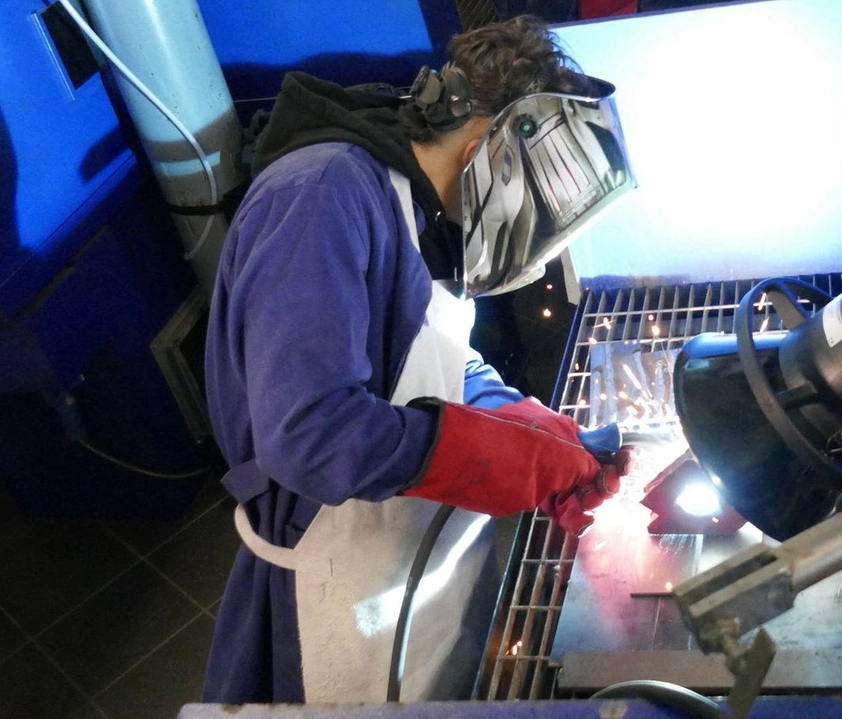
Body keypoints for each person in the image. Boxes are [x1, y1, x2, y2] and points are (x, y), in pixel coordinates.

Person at [202, 16, 635, 704]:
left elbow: (429, 358)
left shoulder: (424, 208)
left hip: (421, 573)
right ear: (481, 153)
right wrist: (485, 451)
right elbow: (310, 433)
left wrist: (520, 419)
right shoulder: (323, 197)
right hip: (338, 592)